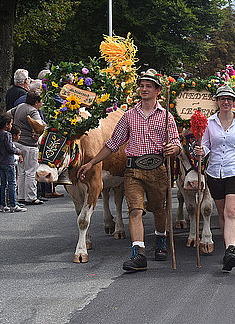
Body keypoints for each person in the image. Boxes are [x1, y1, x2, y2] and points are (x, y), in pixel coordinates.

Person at [77, 69, 181, 272]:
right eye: (141, 86)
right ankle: (138, 253)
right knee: (135, 210)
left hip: (158, 169)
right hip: (133, 169)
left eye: (148, 86)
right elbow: (113, 143)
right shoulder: (129, 116)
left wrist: (173, 148)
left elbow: (177, 143)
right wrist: (91, 162)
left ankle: (161, 239)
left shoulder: (167, 117)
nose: (143, 89)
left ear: (158, 90)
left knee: (159, 210)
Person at [194, 85, 235, 272]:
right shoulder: (209, 123)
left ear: (234, 102)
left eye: (229, 99)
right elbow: (205, 146)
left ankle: (230, 250)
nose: (226, 102)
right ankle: (227, 246)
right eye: (222, 99)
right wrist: (200, 150)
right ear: (217, 101)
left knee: (231, 212)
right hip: (214, 172)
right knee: (221, 213)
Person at [9, 91, 45, 205]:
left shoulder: (20, 107)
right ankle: (31, 197)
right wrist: (38, 132)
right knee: (31, 171)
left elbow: (7, 114)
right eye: (40, 101)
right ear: (36, 102)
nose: (41, 104)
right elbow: (39, 125)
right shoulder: (33, 111)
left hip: (18, 143)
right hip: (30, 145)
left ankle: (21, 196)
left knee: (21, 171)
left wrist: (13, 128)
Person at [0, 113, 26, 213]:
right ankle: (13, 204)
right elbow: (10, 148)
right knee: (12, 183)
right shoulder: (7, 134)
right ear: (6, 125)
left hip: (0, 161)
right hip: (8, 162)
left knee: (3, 184)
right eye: (11, 124)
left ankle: (2, 204)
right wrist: (17, 150)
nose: (11, 126)